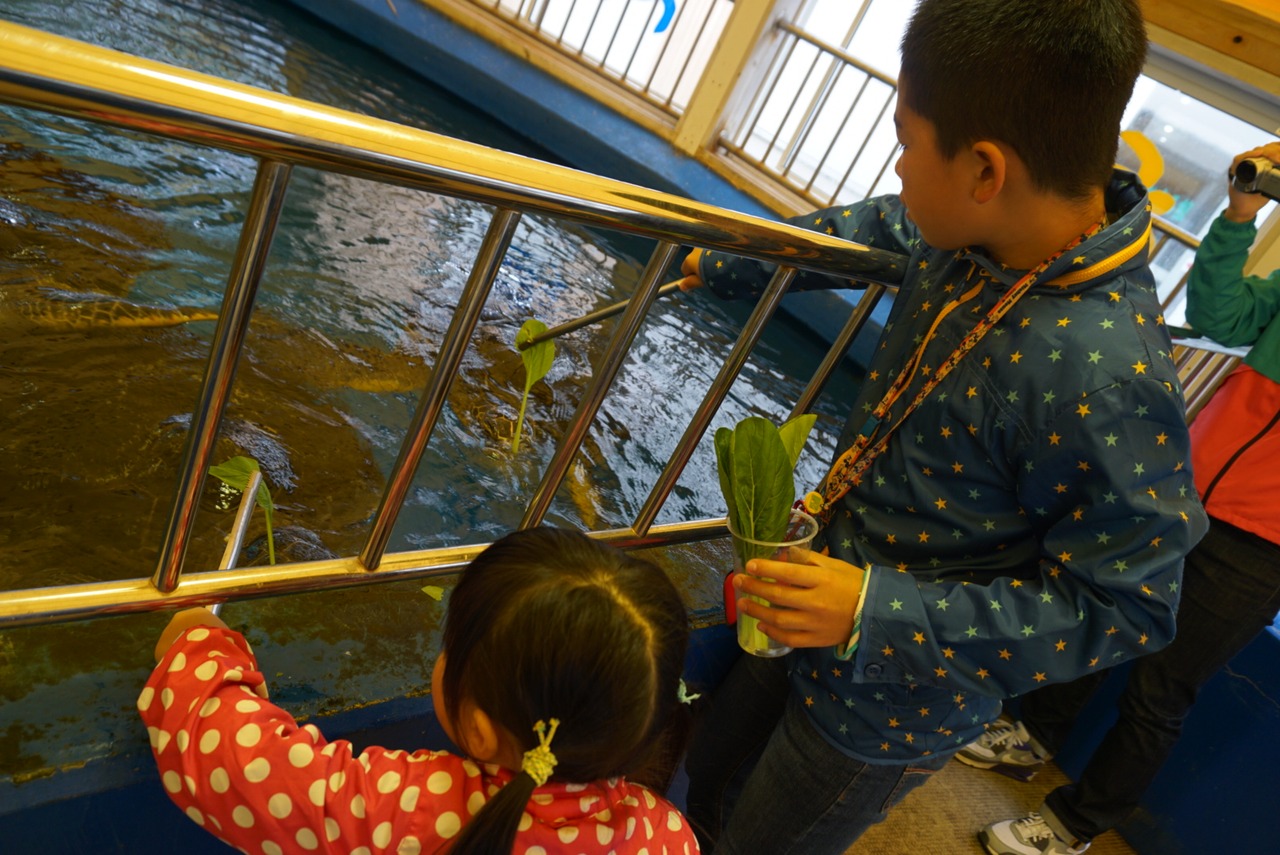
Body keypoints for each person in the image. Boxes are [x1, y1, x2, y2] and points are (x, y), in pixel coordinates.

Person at [676, 1, 1208, 852]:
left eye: (906, 141)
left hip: (884, 709)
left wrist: (872, 609)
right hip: (803, 603)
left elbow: (1126, 606)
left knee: (764, 837)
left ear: (985, 170)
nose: (897, 167)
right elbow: (876, 226)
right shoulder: (971, 232)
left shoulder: (1109, 378)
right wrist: (730, 260)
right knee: (706, 775)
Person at [963, 141, 1280, 855]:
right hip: (1187, 492)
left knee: (1160, 692)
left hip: (1261, 546)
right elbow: (1221, 315)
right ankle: (1033, 732)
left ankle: (1075, 824)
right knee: (1101, 618)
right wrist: (1238, 216)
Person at [139, 526, 700, 854]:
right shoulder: (667, 835)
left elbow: (235, 765)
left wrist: (198, 646)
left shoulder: (415, 811)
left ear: (478, 730)